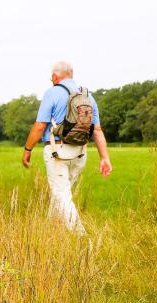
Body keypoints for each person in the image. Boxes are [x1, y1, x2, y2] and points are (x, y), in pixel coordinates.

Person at [22, 61, 112, 234]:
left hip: (57, 152)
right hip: (80, 153)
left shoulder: (52, 92)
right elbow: (98, 130)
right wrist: (104, 158)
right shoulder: (88, 96)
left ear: (55, 76)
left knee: (61, 195)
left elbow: (40, 125)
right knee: (61, 194)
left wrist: (28, 149)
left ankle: (82, 239)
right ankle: (50, 233)